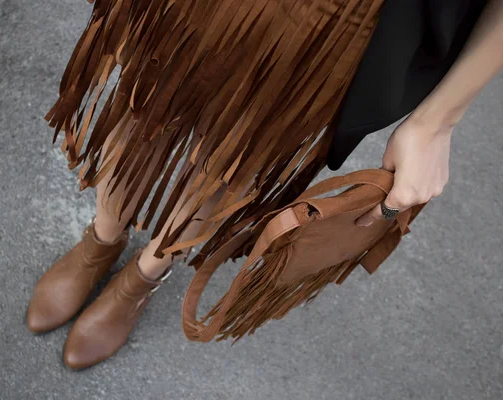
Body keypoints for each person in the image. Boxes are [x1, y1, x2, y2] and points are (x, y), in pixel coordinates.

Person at [26, 0, 503, 370]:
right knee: (146, 99)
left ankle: (143, 277)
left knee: (235, 155)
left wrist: (439, 121)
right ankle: (102, 240)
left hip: (339, 15)